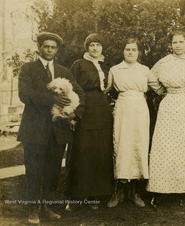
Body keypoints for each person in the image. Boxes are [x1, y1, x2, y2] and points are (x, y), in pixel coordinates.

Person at [18, 32, 85, 224]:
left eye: (53, 47)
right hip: (34, 129)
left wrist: (75, 113)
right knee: (34, 170)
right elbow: (25, 94)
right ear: (40, 47)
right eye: (46, 46)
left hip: (58, 130)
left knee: (52, 171)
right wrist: (52, 99)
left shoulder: (64, 71)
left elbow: (80, 93)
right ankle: (33, 210)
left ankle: (47, 207)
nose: (49, 50)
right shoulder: (28, 69)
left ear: (57, 50)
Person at [105, 38, 164, 208]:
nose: (130, 52)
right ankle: (119, 190)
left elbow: (158, 87)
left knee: (138, 145)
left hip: (140, 109)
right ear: (123, 51)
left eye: (133, 50)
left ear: (139, 52)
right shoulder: (115, 70)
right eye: (127, 49)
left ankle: (134, 191)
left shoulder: (144, 70)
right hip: (123, 108)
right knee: (121, 145)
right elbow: (105, 89)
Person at [146, 30, 185, 206]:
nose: (178, 45)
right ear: (171, 45)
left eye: (181, 42)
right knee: (164, 146)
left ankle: (182, 190)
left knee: (183, 147)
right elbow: (150, 77)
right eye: (175, 42)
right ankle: (160, 190)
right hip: (168, 104)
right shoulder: (163, 63)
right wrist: (160, 91)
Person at [65, 33, 114, 210]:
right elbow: (70, 89)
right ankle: (76, 196)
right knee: (81, 151)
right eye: (91, 45)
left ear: (102, 47)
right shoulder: (79, 64)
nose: (95, 48)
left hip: (102, 110)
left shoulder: (106, 65)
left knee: (99, 153)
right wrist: (73, 113)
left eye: (98, 45)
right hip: (84, 109)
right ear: (87, 47)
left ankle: (94, 195)